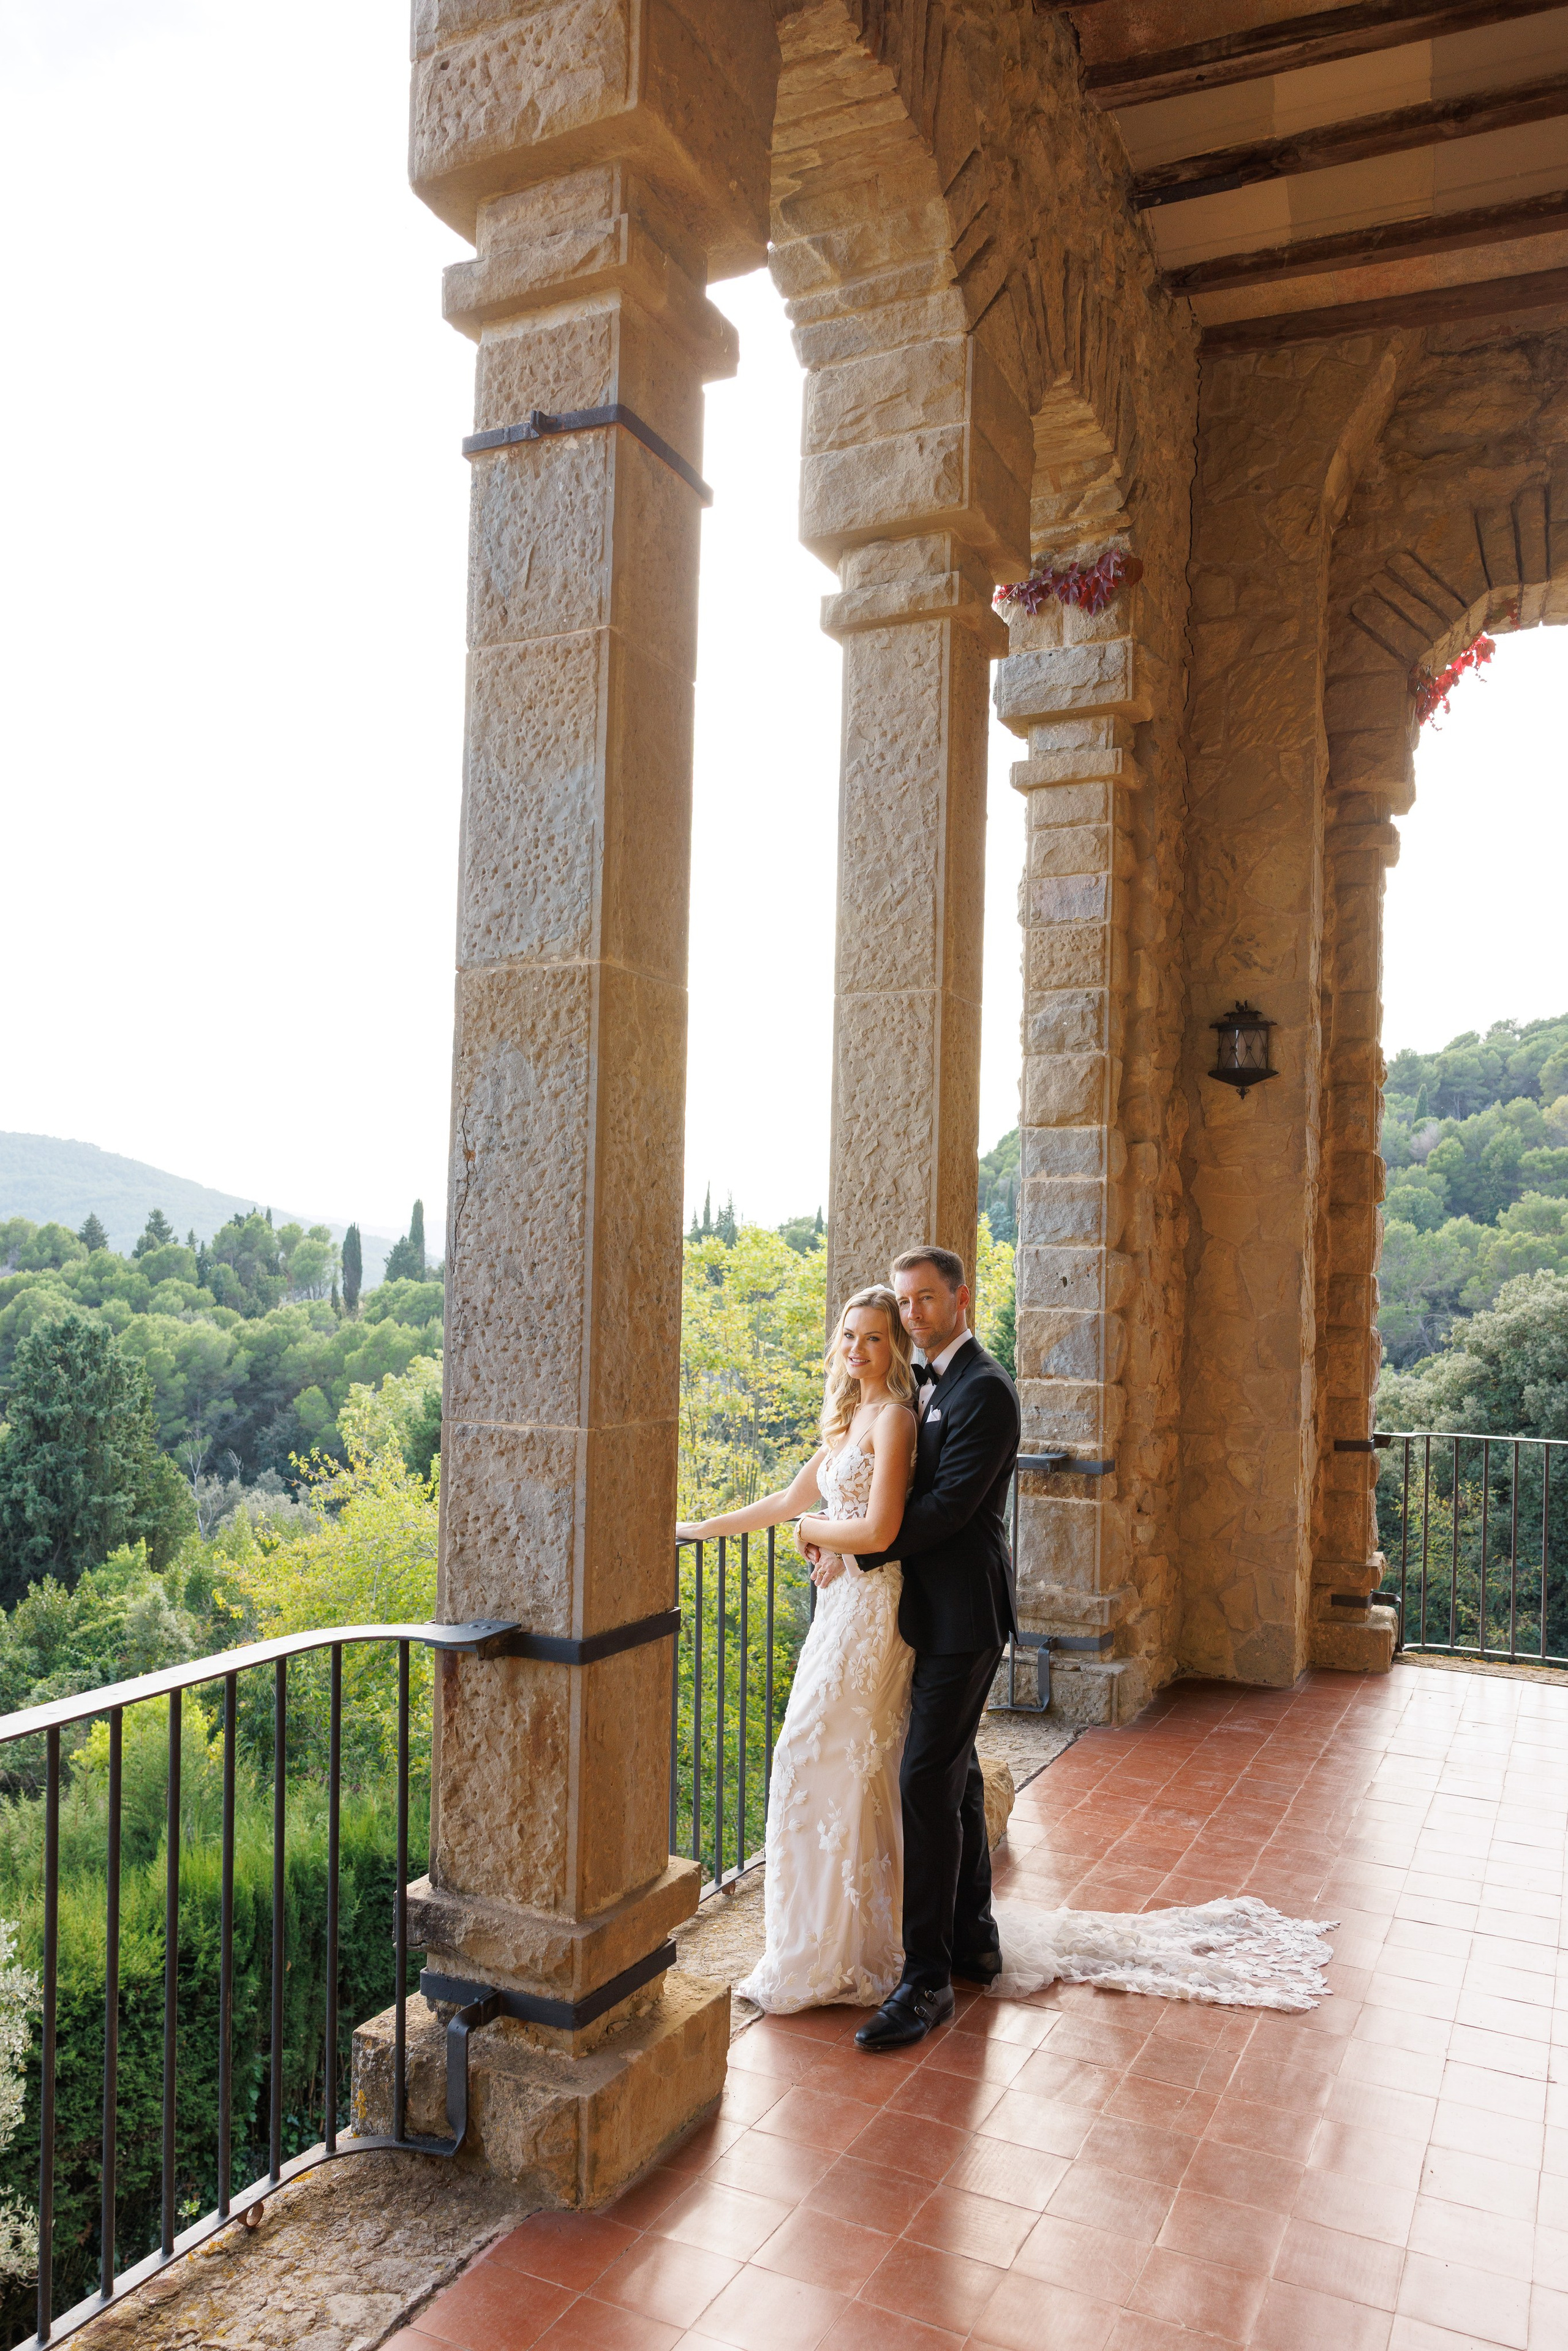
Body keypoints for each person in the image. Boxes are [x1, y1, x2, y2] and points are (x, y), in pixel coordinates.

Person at [797, 1245, 1019, 2049]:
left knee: (923, 1776)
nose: (916, 1312)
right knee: (953, 1777)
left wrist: (847, 1541)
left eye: (927, 1298)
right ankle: (973, 1934)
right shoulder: (916, 1384)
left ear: (962, 1298)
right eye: (906, 1301)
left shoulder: (986, 1390)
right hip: (913, 1611)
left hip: (964, 1615)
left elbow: (949, 1510)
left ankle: (925, 1980)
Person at [676, 1285, 918, 2011]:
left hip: (875, 1609)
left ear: (894, 1346)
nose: (857, 1349)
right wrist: (696, 1528)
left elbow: (878, 1531)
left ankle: (854, 1948)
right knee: (821, 1762)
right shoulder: (845, 1422)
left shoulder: (895, 1419)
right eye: (849, 1336)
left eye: (873, 1338)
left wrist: (815, 1533)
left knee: (827, 1758)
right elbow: (784, 1503)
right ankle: (818, 1941)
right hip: (837, 1608)